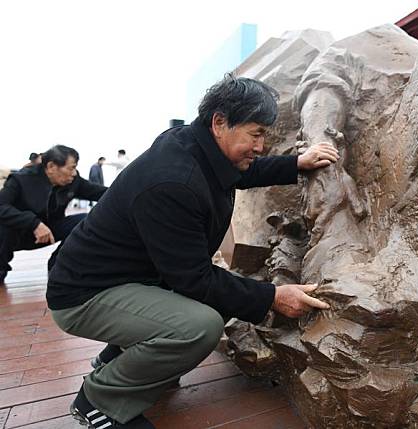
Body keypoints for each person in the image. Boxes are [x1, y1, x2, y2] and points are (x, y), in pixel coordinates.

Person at [46, 74, 339, 428]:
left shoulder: (196, 145)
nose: (261, 146)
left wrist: (296, 164)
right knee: (199, 327)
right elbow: (194, 278)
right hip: (84, 294)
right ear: (219, 122)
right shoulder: (173, 181)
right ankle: (100, 399)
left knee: (195, 311)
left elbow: (238, 172)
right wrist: (272, 296)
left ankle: (116, 357)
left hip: (127, 277)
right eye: (256, 134)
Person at [0, 145, 107, 286]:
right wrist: (34, 223)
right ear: (51, 166)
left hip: (50, 231)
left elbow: (103, 193)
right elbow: (1, 206)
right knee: (4, 224)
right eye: (71, 168)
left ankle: (58, 267)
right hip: (18, 233)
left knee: (85, 220)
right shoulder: (21, 179)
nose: (74, 173)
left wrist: (131, 192)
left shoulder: (74, 182)